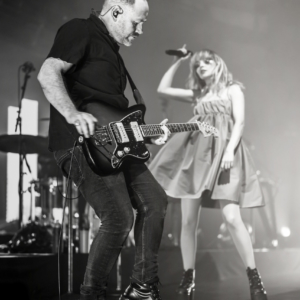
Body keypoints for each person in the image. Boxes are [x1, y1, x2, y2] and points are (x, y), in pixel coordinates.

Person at [37, 1, 169, 299]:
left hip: (116, 145)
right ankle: (91, 294)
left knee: (156, 201)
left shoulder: (115, 55)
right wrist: (72, 114)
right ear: (117, 10)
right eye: (138, 21)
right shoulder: (80, 29)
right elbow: (47, 74)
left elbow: (115, 117)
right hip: (80, 144)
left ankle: (142, 287)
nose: (141, 30)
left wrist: (145, 135)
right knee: (119, 216)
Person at [149, 46, 268, 300]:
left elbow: (240, 122)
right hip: (195, 157)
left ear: (217, 64)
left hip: (225, 153)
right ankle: (188, 277)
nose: (200, 66)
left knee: (232, 218)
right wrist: (178, 61)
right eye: (197, 65)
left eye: (206, 62)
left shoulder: (233, 88)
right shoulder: (198, 94)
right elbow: (163, 90)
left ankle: (254, 277)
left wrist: (228, 152)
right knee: (188, 220)